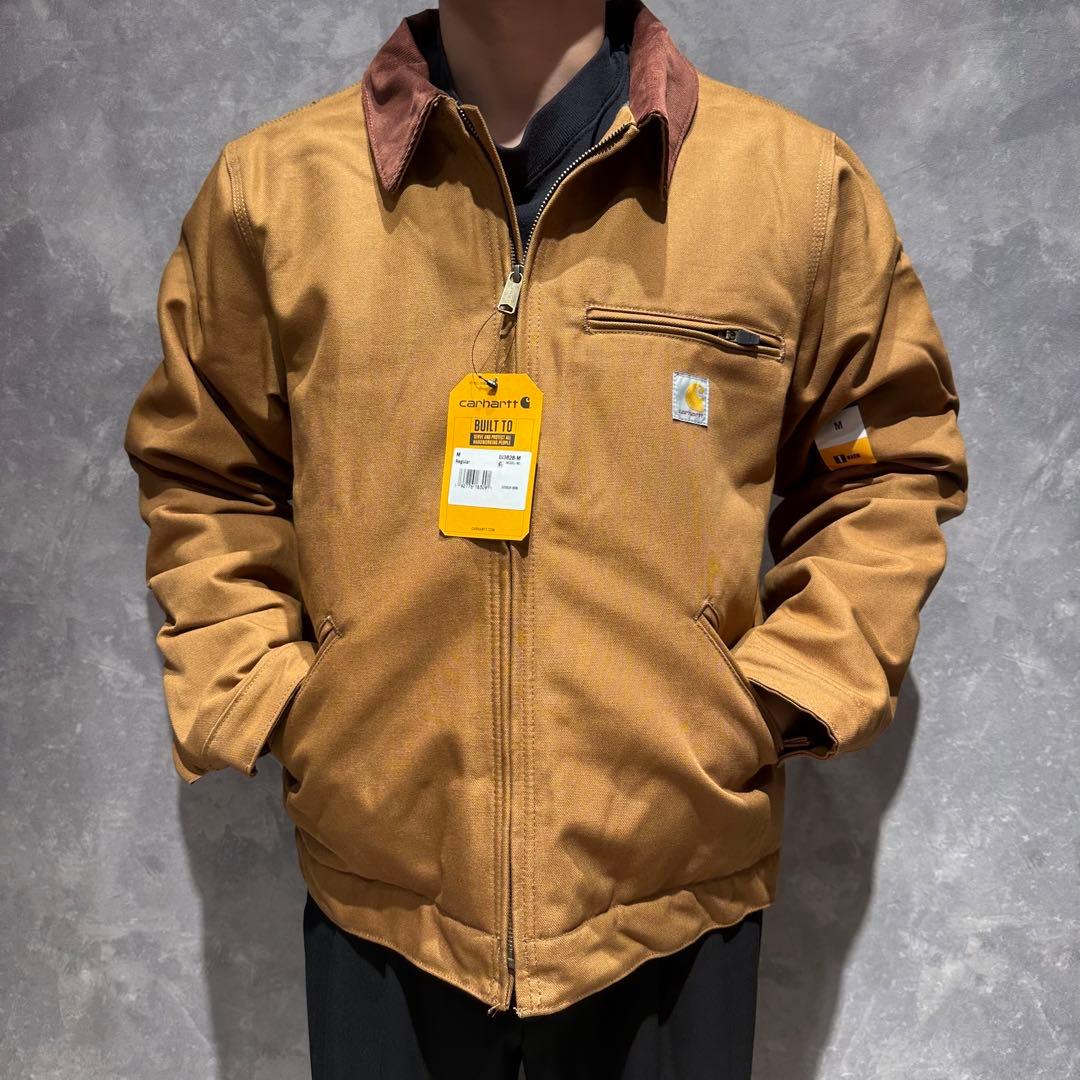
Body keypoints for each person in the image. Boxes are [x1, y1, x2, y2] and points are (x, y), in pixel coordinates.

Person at [122, 0, 969, 1076]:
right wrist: (277, 695)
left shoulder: (794, 192)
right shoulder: (276, 193)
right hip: (381, 898)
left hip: (675, 901)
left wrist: (778, 695)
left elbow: (883, 466)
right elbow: (204, 468)